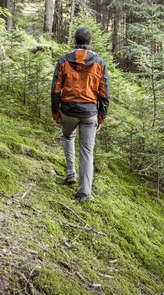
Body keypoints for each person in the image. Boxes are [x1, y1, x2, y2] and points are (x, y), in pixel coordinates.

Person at [51, 27, 110, 201]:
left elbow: (55, 91)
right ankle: (84, 193)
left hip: (68, 111)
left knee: (68, 137)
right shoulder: (99, 63)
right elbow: (104, 94)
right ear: (90, 42)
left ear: (75, 41)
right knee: (87, 151)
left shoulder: (63, 61)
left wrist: (56, 114)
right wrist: (102, 117)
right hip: (89, 112)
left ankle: (70, 173)